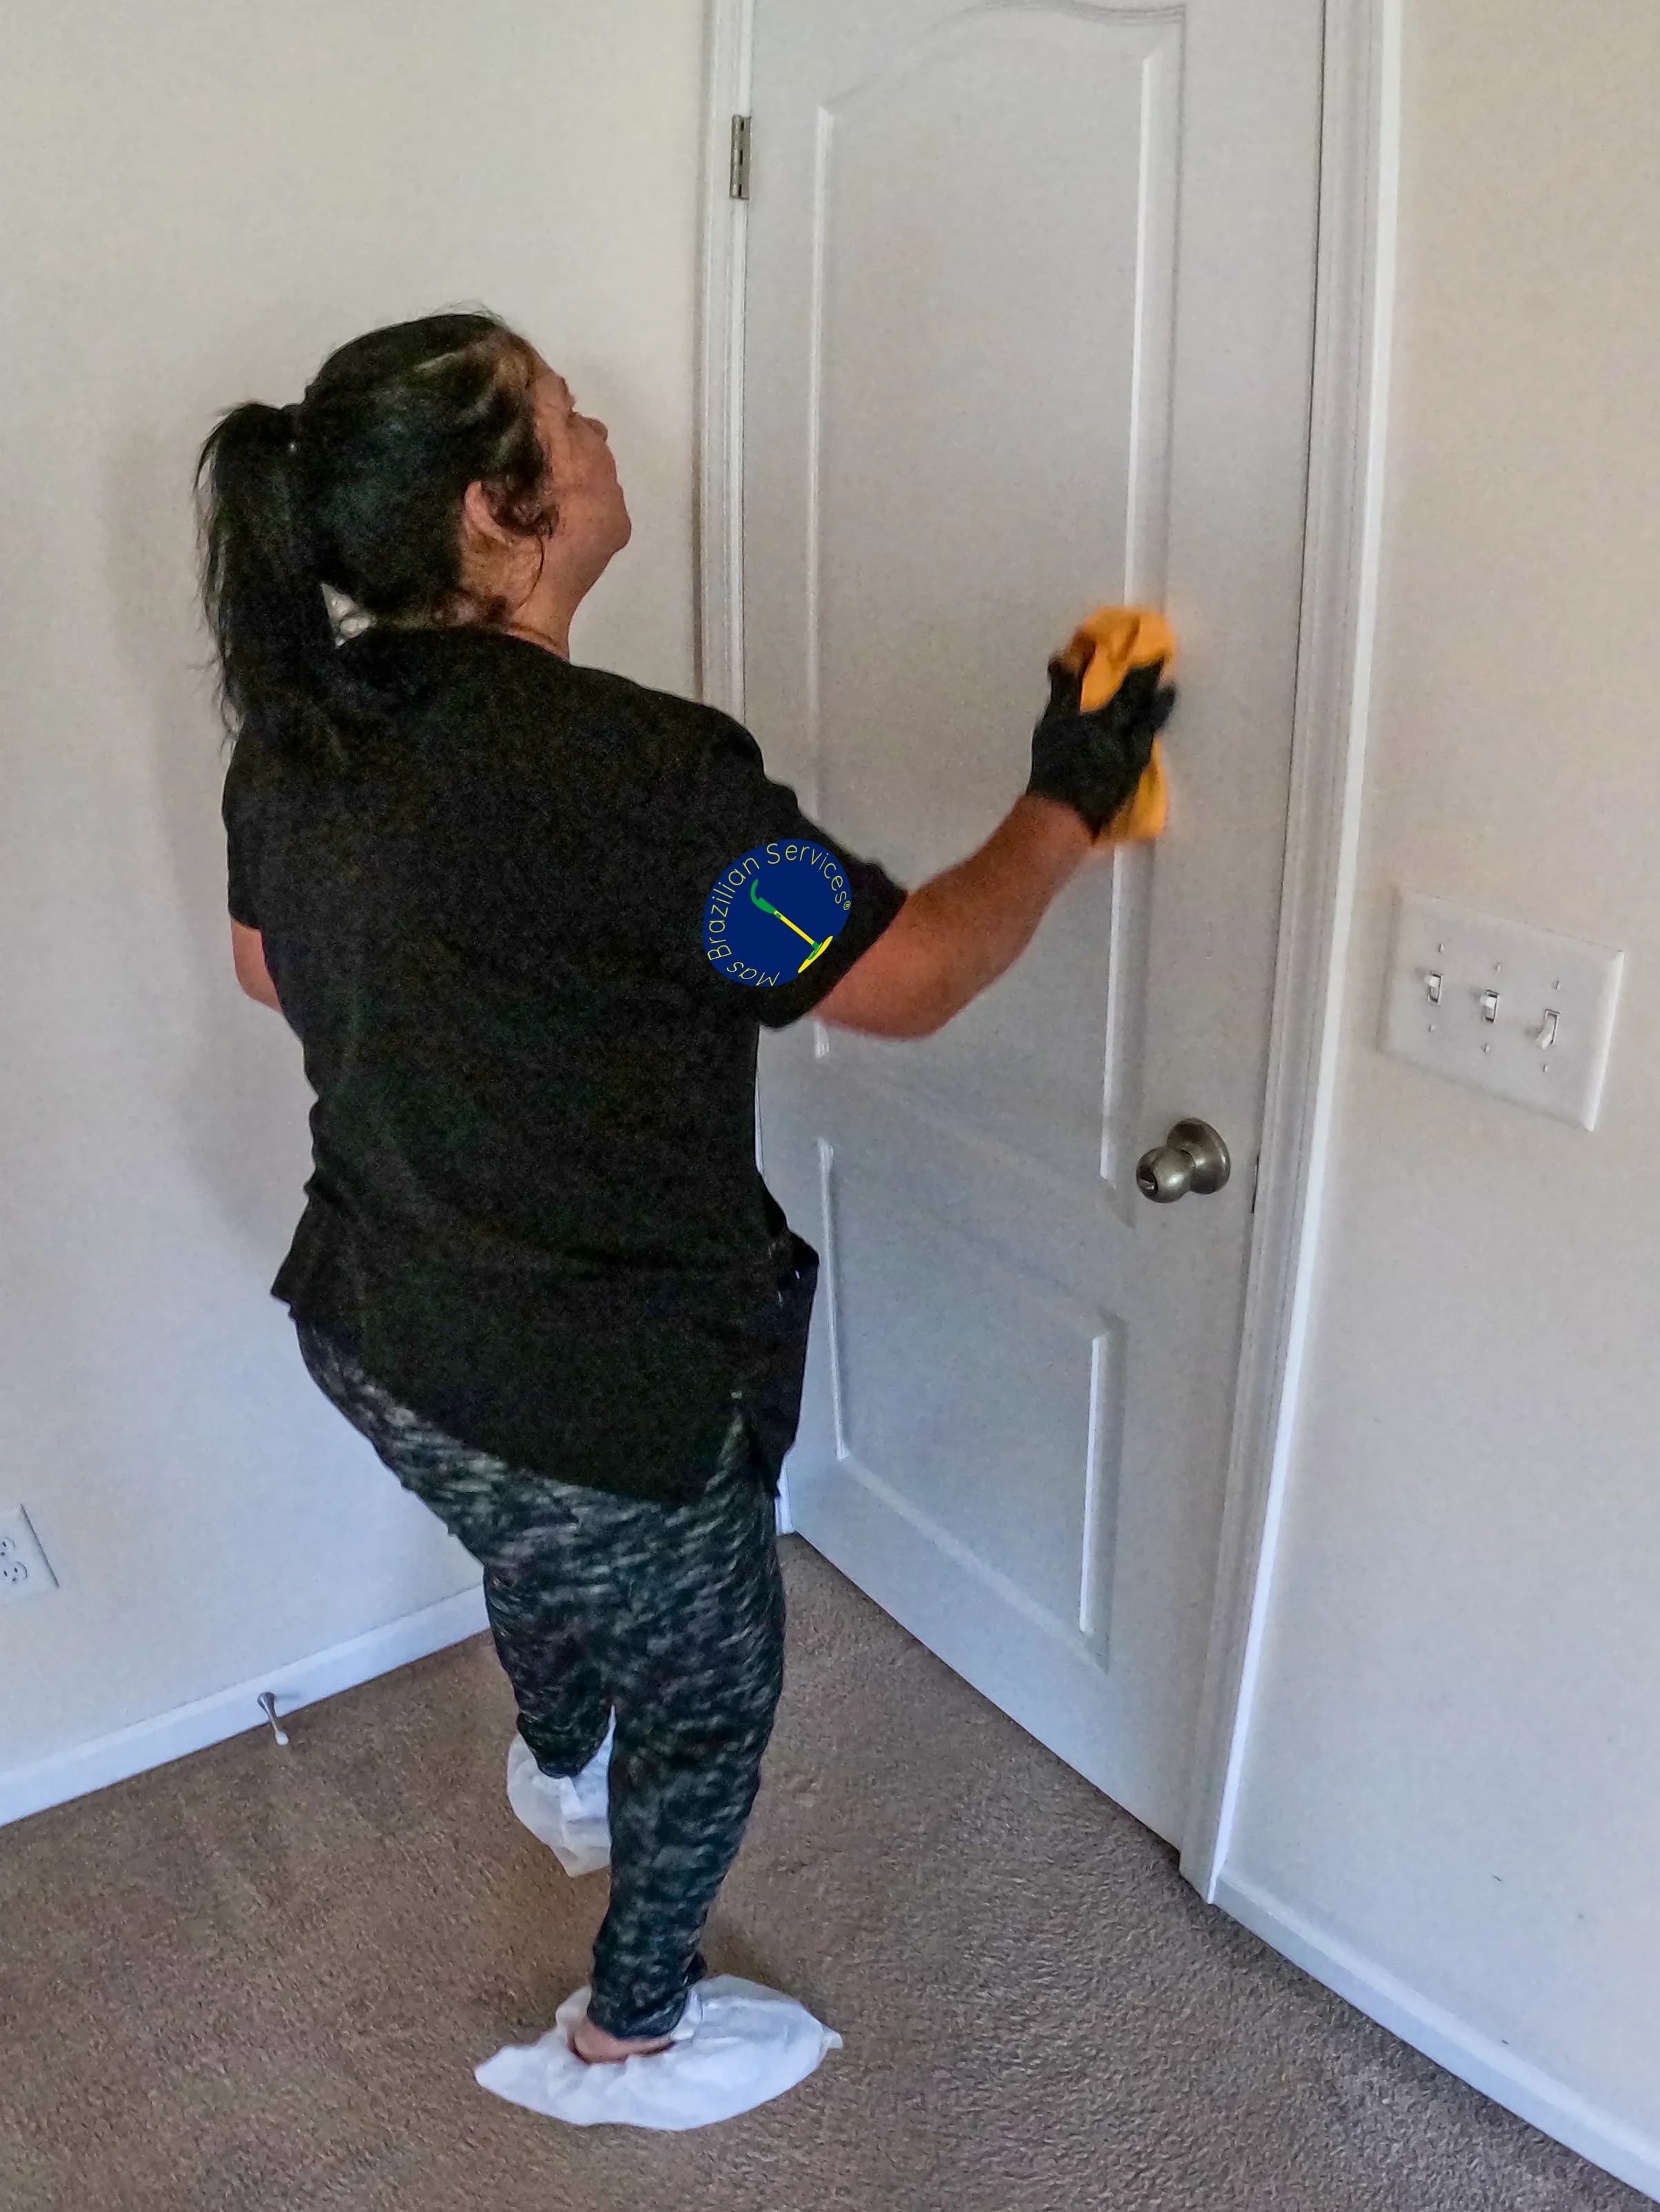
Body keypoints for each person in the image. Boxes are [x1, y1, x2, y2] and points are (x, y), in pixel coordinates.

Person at [197, 309, 1174, 2087]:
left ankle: (556, 1758)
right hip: (591, 1394)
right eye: (570, 419)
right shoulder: (646, 778)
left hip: (371, 1328)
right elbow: (914, 978)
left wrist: (496, 1014)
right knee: (712, 1706)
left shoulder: (302, 730)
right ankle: (629, 2026)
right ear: (503, 513)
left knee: (525, 1555)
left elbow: (270, 966)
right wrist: (1073, 794)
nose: (603, 436)